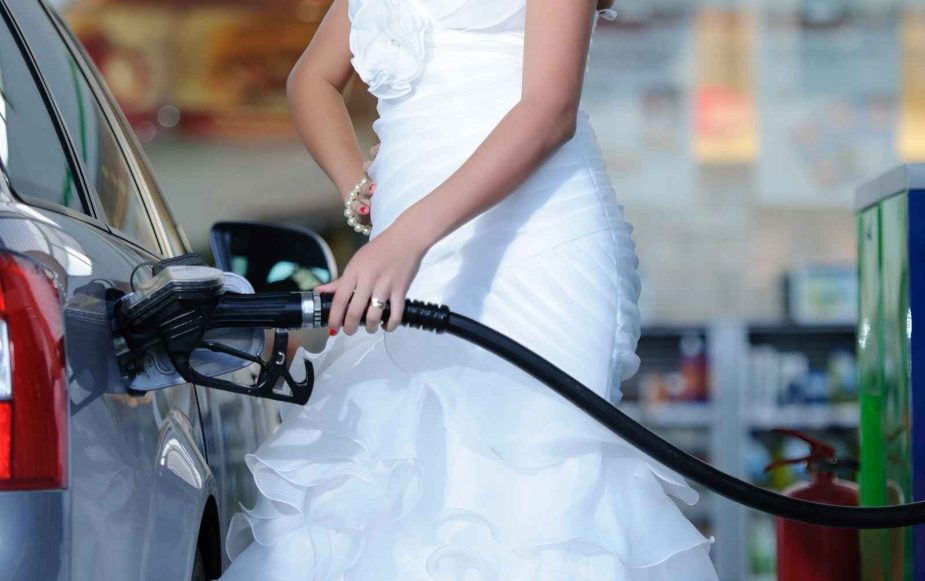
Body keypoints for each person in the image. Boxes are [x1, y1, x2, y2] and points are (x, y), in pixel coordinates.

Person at [219, 1, 718, 579]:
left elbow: (549, 109)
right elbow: (311, 78)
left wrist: (407, 235)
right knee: (387, 473)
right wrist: (360, 188)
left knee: (532, 481)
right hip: (404, 249)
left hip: (536, 243)